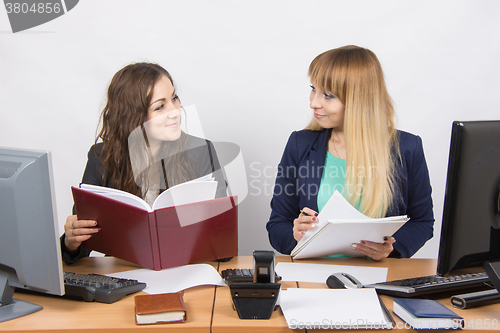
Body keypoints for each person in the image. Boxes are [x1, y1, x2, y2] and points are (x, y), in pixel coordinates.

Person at [266, 45, 434, 259]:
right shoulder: (300, 143)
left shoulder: (407, 148)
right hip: (314, 273)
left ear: (359, 100)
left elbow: (423, 222)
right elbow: (277, 225)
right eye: (313, 89)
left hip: (377, 276)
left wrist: (391, 248)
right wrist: (296, 234)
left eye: (328, 95)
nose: (313, 102)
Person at [61, 62, 227, 263]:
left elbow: (224, 249)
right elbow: (80, 247)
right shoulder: (101, 157)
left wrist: (212, 229)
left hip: (184, 271)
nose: (175, 111)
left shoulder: (200, 152)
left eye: (174, 98)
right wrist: (70, 243)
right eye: (160, 106)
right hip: (124, 274)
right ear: (133, 117)